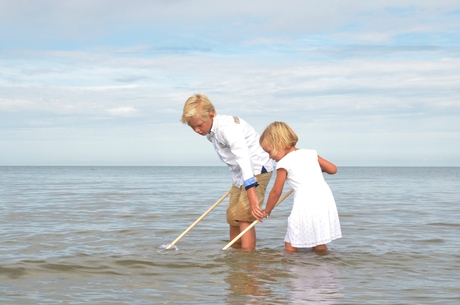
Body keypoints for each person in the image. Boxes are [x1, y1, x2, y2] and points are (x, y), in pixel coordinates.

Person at [181, 93, 273, 250]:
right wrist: (237, 182)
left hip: (256, 169)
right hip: (239, 175)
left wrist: (252, 196)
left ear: (211, 115)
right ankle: (236, 258)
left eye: (199, 125)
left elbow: (244, 159)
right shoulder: (211, 132)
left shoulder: (228, 128)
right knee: (232, 217)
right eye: (192, 127)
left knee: (244, 216)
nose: (197, 130)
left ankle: (248, 262)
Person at [258, 121, 341, 253]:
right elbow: (333, 169)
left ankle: (295, 270)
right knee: (318, 240)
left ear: (279, 143)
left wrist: (267, 211)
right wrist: (315, 171)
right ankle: (325, 268)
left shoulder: (283, 163)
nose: (270, 157)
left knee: (291, 242)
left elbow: (276, 191)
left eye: (269, 151)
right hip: (324, 198)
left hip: (306, 201)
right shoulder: (310, 153)